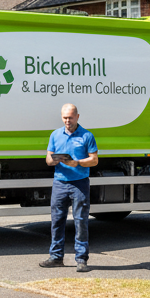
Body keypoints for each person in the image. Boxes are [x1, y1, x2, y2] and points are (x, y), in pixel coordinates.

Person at [41, 103, 98, 273]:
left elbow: (94, 160)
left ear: (77, 117)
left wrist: (77, 162)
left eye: (70, 117)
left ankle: (81, 259)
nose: (67, 121)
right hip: (60, 183)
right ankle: (56, 257)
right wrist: (55, 160)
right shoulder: (55, 135)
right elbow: (48, 159)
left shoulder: (87, 135)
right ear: (61, 117)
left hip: (79, 183)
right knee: (57, 221)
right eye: (65, 117)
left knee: (81, 221)